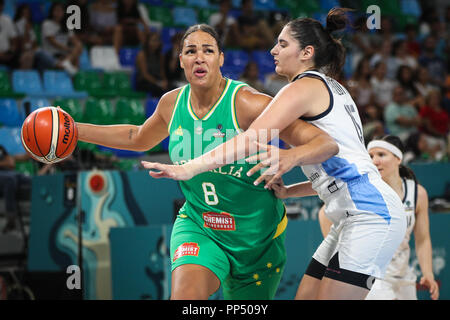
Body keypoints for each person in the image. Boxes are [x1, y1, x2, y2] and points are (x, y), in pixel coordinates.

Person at [140, 9, 407, 300]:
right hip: (353, 210)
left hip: (370, 212)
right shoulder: (331, 87)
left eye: (282, 44)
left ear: (306, 52)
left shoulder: (302, 87)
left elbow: (251, 139)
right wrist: (290, 191)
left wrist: (189, 168)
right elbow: (341, 169)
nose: (273, 50)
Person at [74, 24, 338, 300]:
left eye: (208, 50)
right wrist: (75, 129)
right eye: (190, 51)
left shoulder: (248, 103)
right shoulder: (171, 104)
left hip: (257, 239)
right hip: (201, 226)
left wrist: (288, 157)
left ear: (220, 58)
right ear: (181, 61)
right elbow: (138, 137)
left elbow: (322, 142)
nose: (199, 57)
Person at [316, 135, 440, 300]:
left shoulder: (417, 192)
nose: (375, 161)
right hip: (372, 276)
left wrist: (428, 273)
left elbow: (423, 239)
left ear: (398, 158)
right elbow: (324, 214)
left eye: (381, 155)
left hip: (403, 276)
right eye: (371, 156)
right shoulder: (363, 188)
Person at [40, 2, 83, 75]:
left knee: (79, 47)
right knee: (74, 54)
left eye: (61, 11)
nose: (58, 13)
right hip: (51, 54)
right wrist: (68, 49)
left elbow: (75, 40)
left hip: (64, 54)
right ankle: (68, 65)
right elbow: (52, 42)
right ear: (52, 11)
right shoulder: (47, 23)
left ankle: (68, 64)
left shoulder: (67, 25)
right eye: (56, 10)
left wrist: (77, 46)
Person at [135, 32, 169, 98]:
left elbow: (162, 71)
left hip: (157, 80)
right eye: (153, 40)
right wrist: (158, 83)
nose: (156, 43)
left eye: (157, 40)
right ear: (147, 42)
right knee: (158, 89)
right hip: (144, 81)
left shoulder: (161, 56)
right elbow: (145, 74)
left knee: (172, 88)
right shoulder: (142, 55)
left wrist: (164, 81)